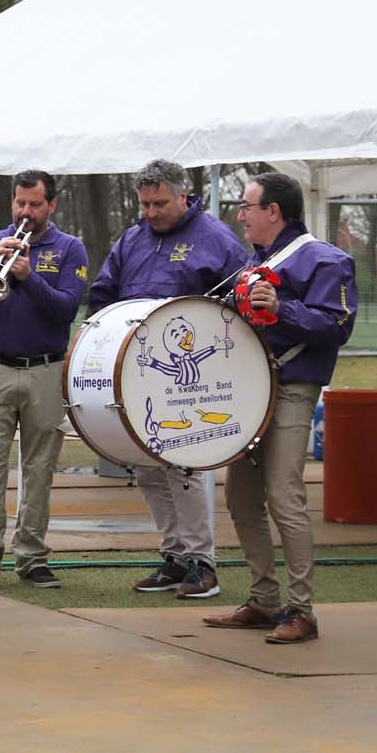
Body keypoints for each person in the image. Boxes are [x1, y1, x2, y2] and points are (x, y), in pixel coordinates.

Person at [203, 173, 358, 643]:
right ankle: (265, 600)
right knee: (241, 497)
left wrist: (283, 308)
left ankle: (302, 610)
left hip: (291, 388)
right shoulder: (253, 262)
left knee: (284, 495)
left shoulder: (326, 259)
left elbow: (337, 327)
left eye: (247, 206)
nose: (240, 215)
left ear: (274, 211)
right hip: (251, 390)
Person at [86, 158, 249, 600]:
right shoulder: (132, 238)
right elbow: (103, 294)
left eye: (160, 203)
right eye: (145, 204)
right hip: (137, 369)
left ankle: (202, 562)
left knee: (185, 461)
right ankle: (175, 557)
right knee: (146, 463)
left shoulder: (215, 238)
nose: (152, 212)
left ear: (182, 195)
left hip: (191, 374)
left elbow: (241, 298)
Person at [0, 170, 89, 589]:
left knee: (39, 469)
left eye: (35, 204)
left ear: (52, 205)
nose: (26, 211)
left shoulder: (69, 248)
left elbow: (65, 309)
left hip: (46, 369)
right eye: (20, 203)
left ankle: (32, 556)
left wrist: (29, 277)